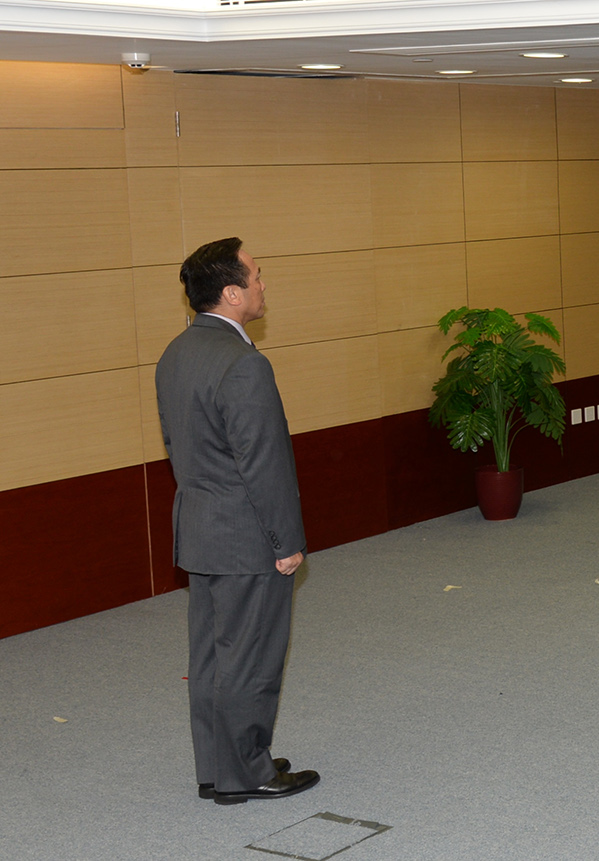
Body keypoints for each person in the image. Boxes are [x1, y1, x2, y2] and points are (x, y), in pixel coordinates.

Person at [159, 237, 319, 805]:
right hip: (247, 536)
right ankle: (248, 771)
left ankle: (219, 767)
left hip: (201, 530)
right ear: (232, 293)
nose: (262, 284)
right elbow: (264, 464)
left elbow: (179, 446)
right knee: (251, 658)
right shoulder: (245, 364)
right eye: (256, 275)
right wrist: (287, 542)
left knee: (211, 658)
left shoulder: (177, 352)